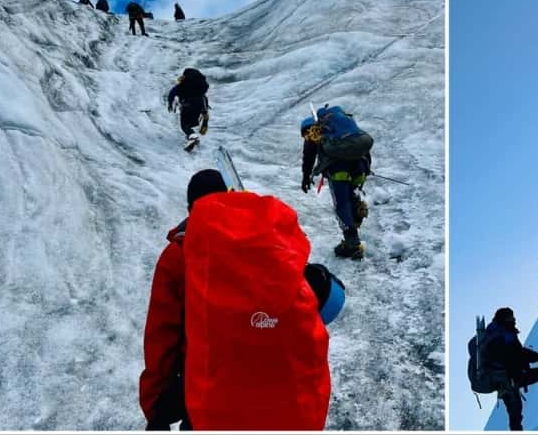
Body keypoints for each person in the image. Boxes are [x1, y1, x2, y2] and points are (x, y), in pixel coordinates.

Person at [140, 169, 339, 430]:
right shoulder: (267, 241)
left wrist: (156, 405)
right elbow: (326, 303)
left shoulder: (179, 256)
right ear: (227, 197)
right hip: (278, 389)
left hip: (211, 392)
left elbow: (162, 333)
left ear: (191, 209)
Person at [482, 307, 538, 430]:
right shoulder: (503, 336)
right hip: (510, 378)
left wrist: (537, 358)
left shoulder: (499, 334)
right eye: (511, 317)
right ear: (504, 319)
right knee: (516, 409)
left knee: (515, 411)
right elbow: (517, 353)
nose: (514, 320)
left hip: (504, 380)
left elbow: (517, 353)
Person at [300, 106, 372, 259]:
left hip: (339, 169)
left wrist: (306, 177)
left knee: (341, 204)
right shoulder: (343, 126)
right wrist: (367, 169)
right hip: (360, 166)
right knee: (350, 194)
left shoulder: (315, 132)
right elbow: (364, 146)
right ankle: (357, 208)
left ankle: (352, 243)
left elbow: (308, 156)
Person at [167, 68, 209, 151]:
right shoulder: (200, 90)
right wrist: (205, 119)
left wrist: (169, 103)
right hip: (198, 107)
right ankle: (191, 138)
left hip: (187, 106)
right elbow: (204, 101)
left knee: (184, 126)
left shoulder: (182, 86)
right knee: (190, 124)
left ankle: (192, 136)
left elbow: (172, 93)